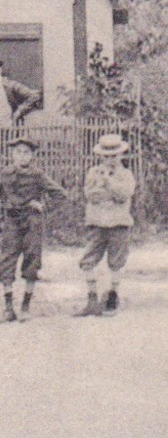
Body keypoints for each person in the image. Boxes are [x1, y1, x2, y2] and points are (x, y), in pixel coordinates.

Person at [0, 136, 64, 320]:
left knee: (32, 260)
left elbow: (60, 194)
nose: (22, 156)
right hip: (12, 221)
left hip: (32, 222)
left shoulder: (37, 175)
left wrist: (42, 206)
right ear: (12, 154)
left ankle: (25, 307)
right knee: (7, 260)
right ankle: (8, 307)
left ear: (32, 156)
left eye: (26, 153)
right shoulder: (5, 174)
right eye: (18, 152)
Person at [78, 133, 134, 317]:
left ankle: (112, 296)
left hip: (118, 223)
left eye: (114, 155)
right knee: (88, 260)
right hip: (97, 222)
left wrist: (108, 183)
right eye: (106, 156)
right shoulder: (93, 172)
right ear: (100, 156)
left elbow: (123, 194)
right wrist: (109, 193)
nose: (110, 159)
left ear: (121, 155)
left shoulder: (126, 174)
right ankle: (92, 298)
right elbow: (91, 195)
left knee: (116, 262)